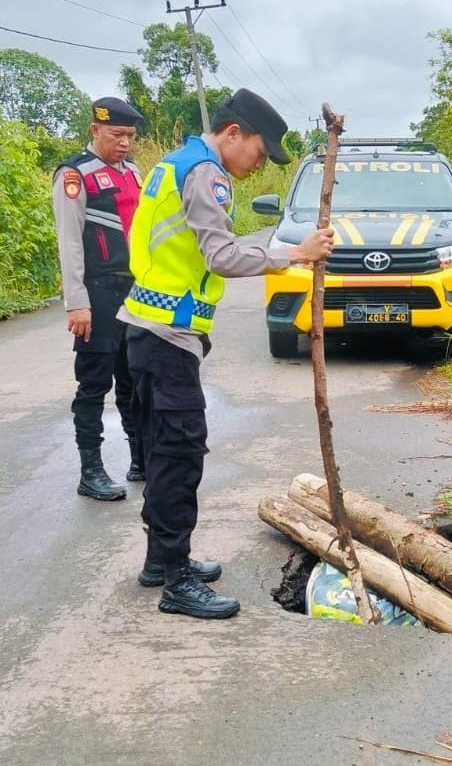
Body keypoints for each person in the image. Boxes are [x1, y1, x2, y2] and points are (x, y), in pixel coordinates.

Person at [119, 88, 334, 619]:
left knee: (161, 452)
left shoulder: (175, 165)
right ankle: (176, 582)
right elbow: (221, 255)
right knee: (179, 457)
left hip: (149, 332)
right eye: (260, 152)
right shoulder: (205, 171)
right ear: (233, 132)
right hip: (166, 338)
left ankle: (161, 561)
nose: (259, 165)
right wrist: (293, 255)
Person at [53, 97, 145, 502]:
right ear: (95, 130)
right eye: (116, 135)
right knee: (94, 384)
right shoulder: (75, 175)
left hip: (134, 292)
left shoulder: (134, 174)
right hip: (97, 293)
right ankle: (91, 471)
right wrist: (77, 301)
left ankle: (140, 457)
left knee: (134, 379)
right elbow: (70, 242)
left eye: (130, 136)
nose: (124, 143)